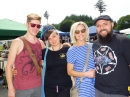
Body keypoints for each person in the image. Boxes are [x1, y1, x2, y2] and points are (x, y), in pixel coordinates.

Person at [6, 13, 45, 97]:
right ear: (27, 24)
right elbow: (8, 66)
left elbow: (47, 63)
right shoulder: (17, 42)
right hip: (22, 89)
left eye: (38, 26)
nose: (35, 28)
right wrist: (10, 88)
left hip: (39, 87)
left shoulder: (41, 44)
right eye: (33, 25)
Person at [93, 15, 130, 97]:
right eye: (98, 26)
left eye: (105, 24)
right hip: (99, 90)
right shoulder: (95, 44)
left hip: (119, 92)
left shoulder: (123, 41)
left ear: (112, 24)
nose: (102, 28)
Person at [41, 25, 72, 97]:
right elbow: (33, 63)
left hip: (65, 87)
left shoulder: (68, 50)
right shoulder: (44, 52)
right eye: (49, 38)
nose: (52, 40)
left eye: (54, 36)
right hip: (49, 88)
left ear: (58, 35)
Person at [67, 21, 95, 97]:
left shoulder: (94, 46)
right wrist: (86, 74)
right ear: (74, 34)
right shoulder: (72, 50)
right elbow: (70, 71)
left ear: (86, 31)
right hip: (83, 87)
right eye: (77, 31)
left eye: (82, 30)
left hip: (97, 85)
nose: (80, 33)